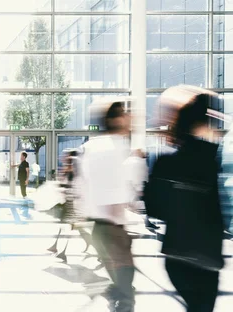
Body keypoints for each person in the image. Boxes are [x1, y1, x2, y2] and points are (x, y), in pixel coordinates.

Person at [144, 87, 223, 312]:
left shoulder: (166, 162)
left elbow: (155, 209)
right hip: (207, 256)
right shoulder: (212, 156)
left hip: (177, 255)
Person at [79, 100, 138, 311]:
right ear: (113, 120)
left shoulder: (90, 147)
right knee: (125, 295)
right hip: (113, 228)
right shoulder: (117, 147)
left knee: (119, 287)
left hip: (98, 227)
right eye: (124, 114)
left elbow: (83, 184)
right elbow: (118, 193)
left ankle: (116, 296)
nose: (129, 117)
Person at [47, 149, 93, 264]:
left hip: (72, 204)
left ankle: (63, 252)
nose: (64, 158)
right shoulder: (68, 169)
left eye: (66, 156)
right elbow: (63, 184)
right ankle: (57, 246)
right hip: (67, 203)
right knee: (67, 226)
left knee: (68, 227)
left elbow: (75, 187)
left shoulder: (75, 169)